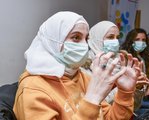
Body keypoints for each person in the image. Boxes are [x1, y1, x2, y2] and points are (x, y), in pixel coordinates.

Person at [13, 11, 141, 120]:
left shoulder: (83, 77)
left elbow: (108, 117)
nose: (84, 45)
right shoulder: (33, 88)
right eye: (76, 38)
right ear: (53, 42)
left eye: (86, 39)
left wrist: (125, 92)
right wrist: (92, 99)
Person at [82, 21, 149, 110]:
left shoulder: (123, 60)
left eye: (117, 37)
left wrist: (137, 88)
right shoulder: (87, 65)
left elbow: (134, 106)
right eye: (110, 37)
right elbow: (98, 104)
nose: (115, 41)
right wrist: (125, 88)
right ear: (96, 39)